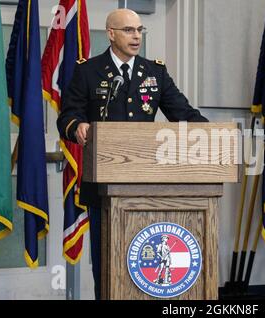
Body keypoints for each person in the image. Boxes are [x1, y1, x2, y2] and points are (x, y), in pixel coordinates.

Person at [57, 9, 208, 299]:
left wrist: (212, 135)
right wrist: (77, 126)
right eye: (128, 30)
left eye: (139, 30)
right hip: (103, 185)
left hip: (148, 185)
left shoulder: (155, 72)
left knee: (145, 264)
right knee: (109, 266)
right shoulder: (88, 70)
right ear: (111, 33)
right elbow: (67, 117)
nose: (136, 36)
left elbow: (183, 114)